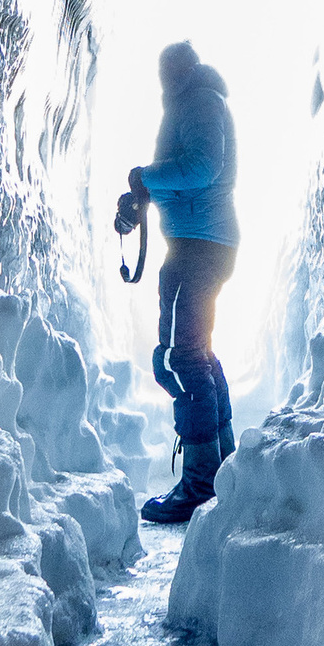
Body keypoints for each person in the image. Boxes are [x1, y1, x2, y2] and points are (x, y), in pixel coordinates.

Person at [116, 40, 239, 523]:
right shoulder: (195, 103)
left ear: (181, 71)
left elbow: (203, 167)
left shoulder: (201, 102)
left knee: (178, 359)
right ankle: (225, 469)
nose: (164, 78)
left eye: (168, 70)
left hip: (197, 247)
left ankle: (201, 481)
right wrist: (139, 200)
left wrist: (146, 176)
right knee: (197, 354)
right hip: (199, 243)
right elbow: (183, 177)